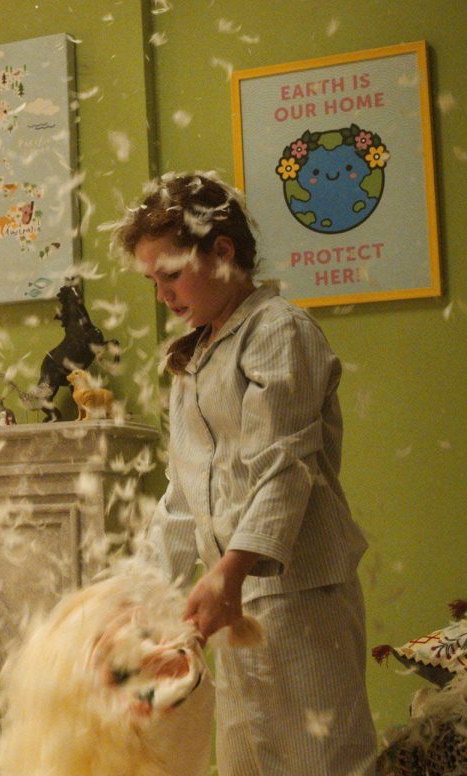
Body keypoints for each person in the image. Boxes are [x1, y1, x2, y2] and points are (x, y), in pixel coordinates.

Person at [114, 171, 375, 775]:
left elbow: (286, 468)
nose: (163, 295)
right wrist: (141, 597)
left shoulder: (278, 331)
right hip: (231, 604)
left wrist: (231, 569)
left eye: (171, 274)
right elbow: (183, 498)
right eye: (153, 282)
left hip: (299, 597)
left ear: (223, 252)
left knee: (320, 759)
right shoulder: (194, 358)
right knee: (247, 760)